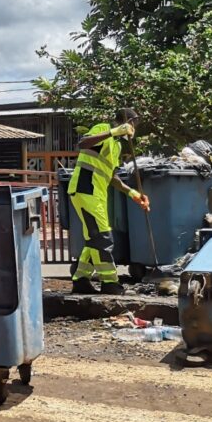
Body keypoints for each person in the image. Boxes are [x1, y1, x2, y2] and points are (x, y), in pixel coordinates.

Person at [68, 108, 150, 295]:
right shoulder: (102, 129)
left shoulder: (117, 146)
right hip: (85, 189)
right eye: (134, 124)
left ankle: (81, 280)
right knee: (103, 239)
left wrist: (133, 194)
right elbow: (83, 143)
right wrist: (114, 131)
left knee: (95, 239)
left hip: (96, 194)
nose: (134, 128)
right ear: (127, 122)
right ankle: (110, 283)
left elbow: (112, 176)